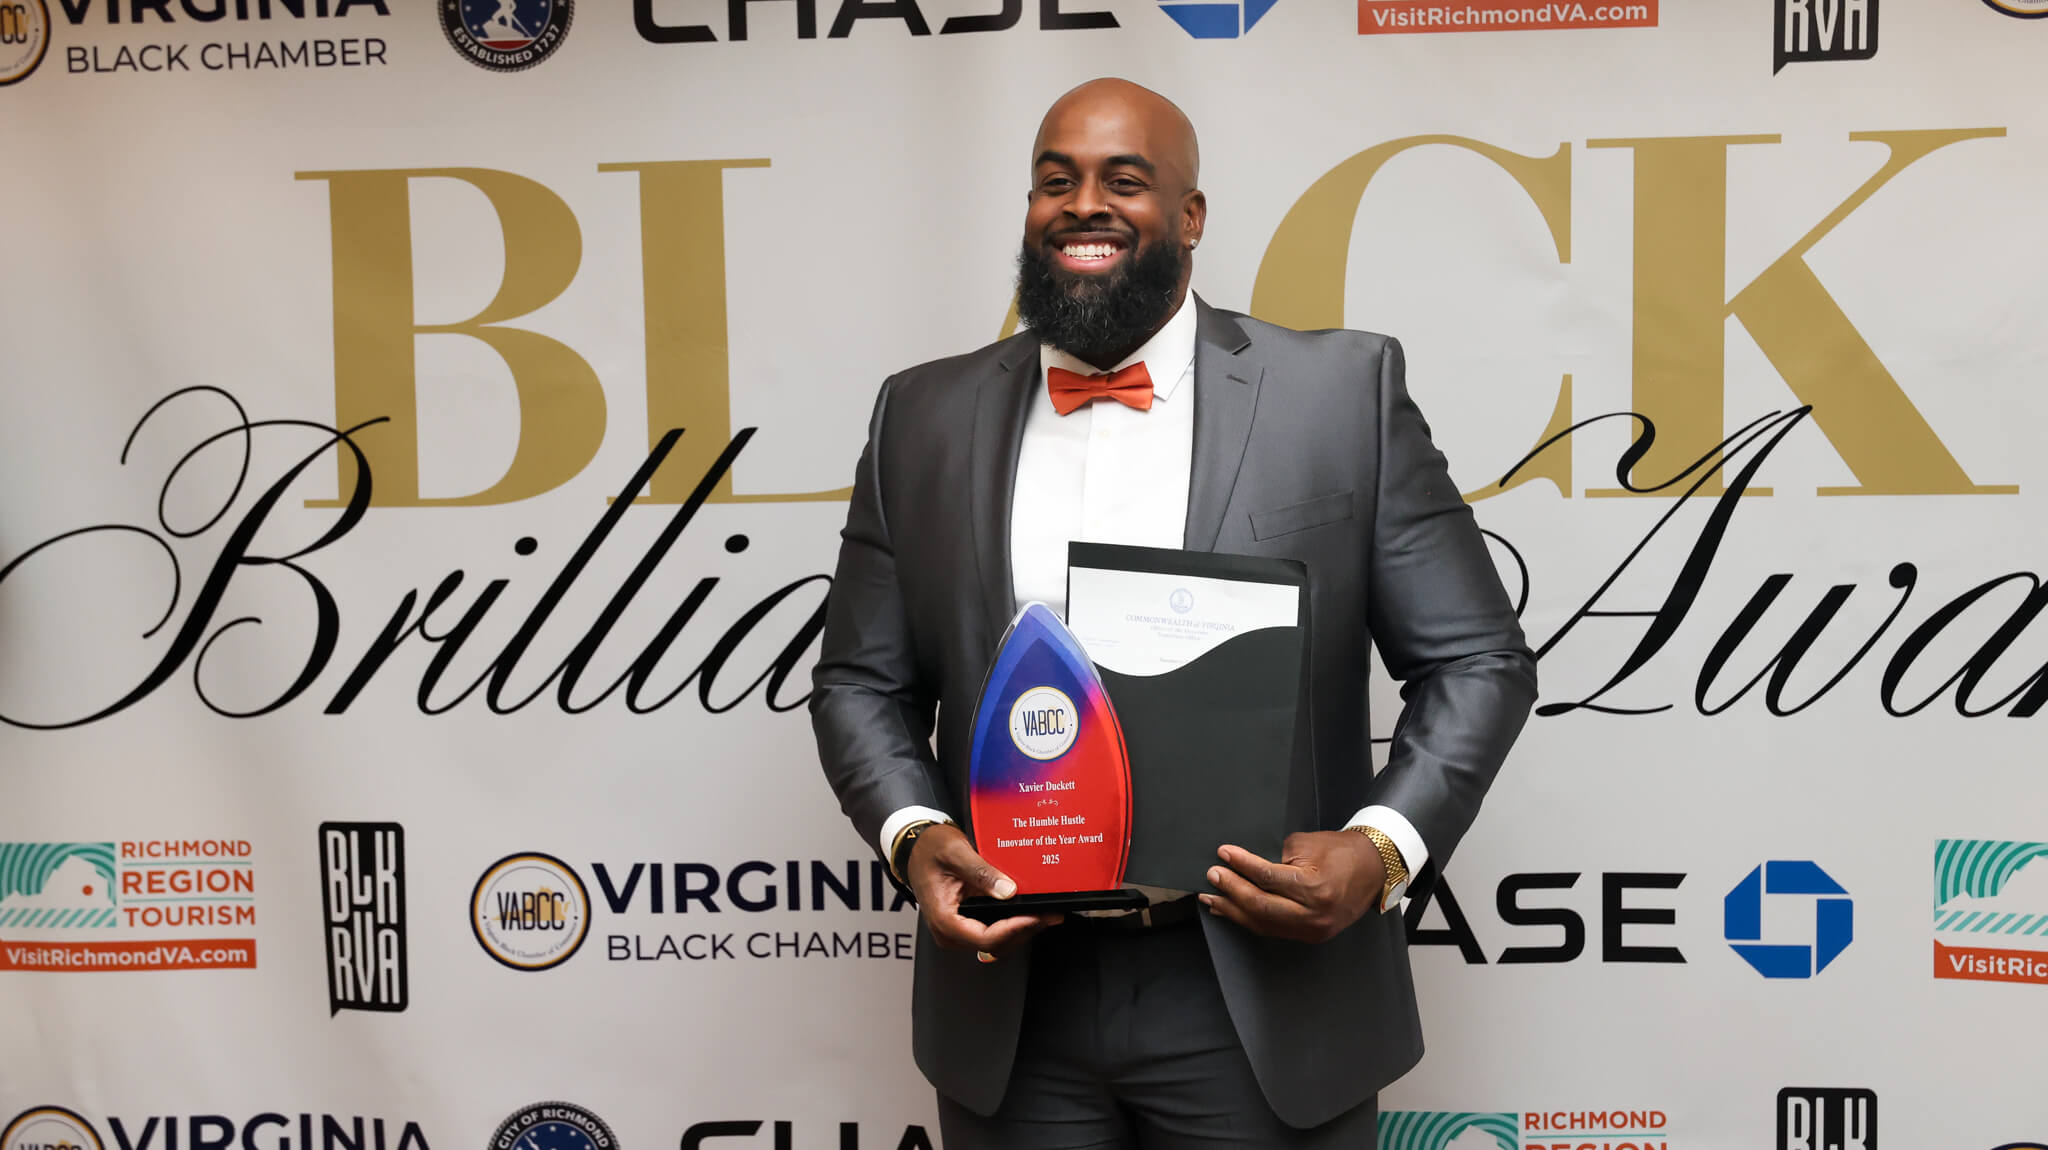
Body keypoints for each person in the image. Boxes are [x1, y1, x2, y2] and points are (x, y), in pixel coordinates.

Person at [810, 77, 1536, 1148]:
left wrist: (1378, 851)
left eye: (1124, 180)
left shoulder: (1339, 394)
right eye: (1054, 181)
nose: (1082, 205)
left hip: (1262, 995)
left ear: (1189, 216)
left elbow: (1477, 660)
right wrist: (914, 835)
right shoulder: (921, 413)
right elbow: (858, 683)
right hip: (1013, 997)